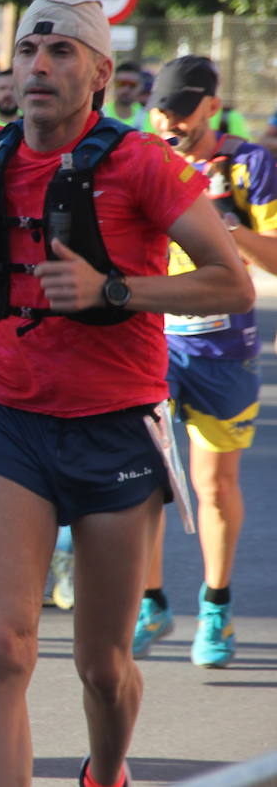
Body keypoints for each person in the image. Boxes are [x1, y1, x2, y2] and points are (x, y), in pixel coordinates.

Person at [0, 0, 253, 787]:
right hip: (9, 423)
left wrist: (114, 291)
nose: (39, 65)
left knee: (103, 668)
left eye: (61, 51)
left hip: (117, 429)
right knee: (3, 648)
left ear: (100, 72)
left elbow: (233, 285)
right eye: (29, 49)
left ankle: (106, 772)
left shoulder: (145, 163)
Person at [132, 54, 277, 669]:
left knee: (212, 485)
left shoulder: (250, 165)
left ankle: (215, 605)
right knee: (142, 484)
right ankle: (150, 600)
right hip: (151, 346)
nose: (173, 122)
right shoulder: (144, 160)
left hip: (223, 350)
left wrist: (224, 229)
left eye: (185, 111)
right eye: (164, 110)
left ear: (212, 106)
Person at [101, 60, 149, 131]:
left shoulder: (149, 118)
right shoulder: (101, 114)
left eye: (132, 85)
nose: (126, 89)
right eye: (121, 84)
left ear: (141, 86)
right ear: (113, 84)